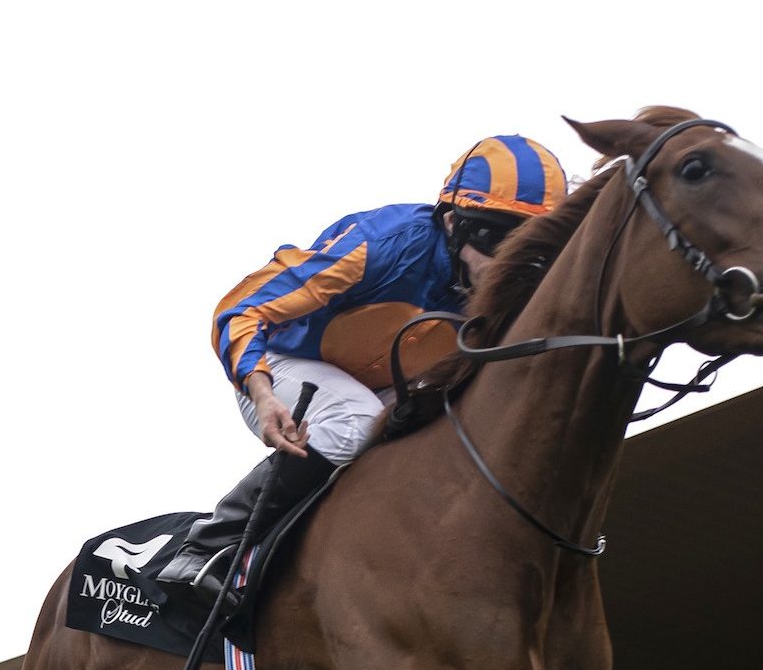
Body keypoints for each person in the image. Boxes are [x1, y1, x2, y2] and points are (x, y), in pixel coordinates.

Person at [157, 135, 569, 592]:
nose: (510, 263)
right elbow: (243, 308)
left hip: (385, 386)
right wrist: (261, 389)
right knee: (355, 416)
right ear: (453, 222)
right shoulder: (384, 243)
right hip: (282, 365)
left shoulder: (520, 291)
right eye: (497, 239)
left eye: (530, 246)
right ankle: (209, 546)